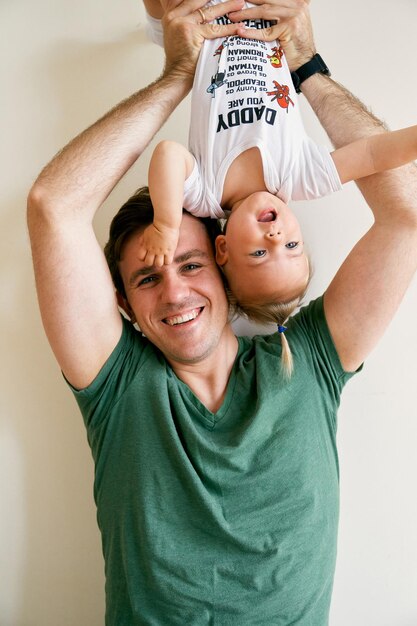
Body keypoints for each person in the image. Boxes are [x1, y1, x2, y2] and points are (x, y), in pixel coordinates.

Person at [27, 0, 417, 623]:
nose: (176, 294)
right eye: (148, 278)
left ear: (223, 259)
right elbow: (53, 205)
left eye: (189, 265)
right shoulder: (117, 384)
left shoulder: (312, 359)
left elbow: (406, 210)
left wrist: (306, 64)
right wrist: (176, 74)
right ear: (123, 305)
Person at [142, 0, 417, 325]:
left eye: (259, 254)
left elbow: (168, 154)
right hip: (265, 20)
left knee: (175, 6)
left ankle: (155, 24)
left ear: (223, 249)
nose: (274, 237)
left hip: (210, 23)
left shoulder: (205, 196)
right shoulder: (303, 179)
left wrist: (166, 224)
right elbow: (372, 154)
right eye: (291, 245)